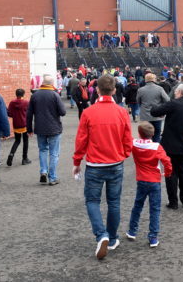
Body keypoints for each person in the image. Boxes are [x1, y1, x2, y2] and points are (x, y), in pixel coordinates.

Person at [72, 75, 132, 259]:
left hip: (95, 164)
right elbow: (127, 140)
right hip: (115, 162)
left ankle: (101, 234)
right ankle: (112, 238)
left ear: (96, 90)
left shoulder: (89, 112)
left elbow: (81, 140)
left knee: (92, 201)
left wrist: (76, 162)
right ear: (114, 90)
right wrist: (124, 154)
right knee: (113, 202)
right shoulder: (122, 112)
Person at [151, 84, 183, 209]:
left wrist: (154, 105)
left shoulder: (173, 104)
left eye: (176, 91)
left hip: (170, 145)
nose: (175, 93)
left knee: (171, 173)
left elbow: (155, 111)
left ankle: (173, 202)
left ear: (180, 93)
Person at [126, 122, 172, 248]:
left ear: (140, 133)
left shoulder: (134, 143)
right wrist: (167, 173)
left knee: (137, 205)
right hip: (154, 181)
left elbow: (127, 137)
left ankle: (132, 231)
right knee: (155, 209)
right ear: (153, 134)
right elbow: (167, 161)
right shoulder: (156, 146)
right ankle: (153, 237)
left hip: (141, 179)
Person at [27, 75, 66, 185]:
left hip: (40, 128)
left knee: (43, 150)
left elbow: (29, 114)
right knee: (54, 153)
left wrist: (29, 128)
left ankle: (43, 171)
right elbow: (63, 112)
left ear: (43, 83)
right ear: (52, 84)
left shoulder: (35, 95)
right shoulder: (55, 95)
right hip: (54, 128)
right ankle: (52, 177)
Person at [137, 73, 170, 143]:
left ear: (145, 80)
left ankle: (146, 150)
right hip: (157, 115)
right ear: (154, 79)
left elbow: (138, 101)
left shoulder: (140, 90)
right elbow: (167, 100)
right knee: (157, 134)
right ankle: (156, 150)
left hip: (145, 115)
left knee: (145, 135)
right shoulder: (159, 89)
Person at [7, 88, 31, 166]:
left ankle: (11, 154)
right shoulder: (26, 102)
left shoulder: (12, 103)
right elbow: (29, 113)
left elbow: (9, 114)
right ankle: (24, 158)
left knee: (17, 141)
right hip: (24, 124)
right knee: (25, 141)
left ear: (16, 94)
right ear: (23, 94)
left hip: (16, 124)